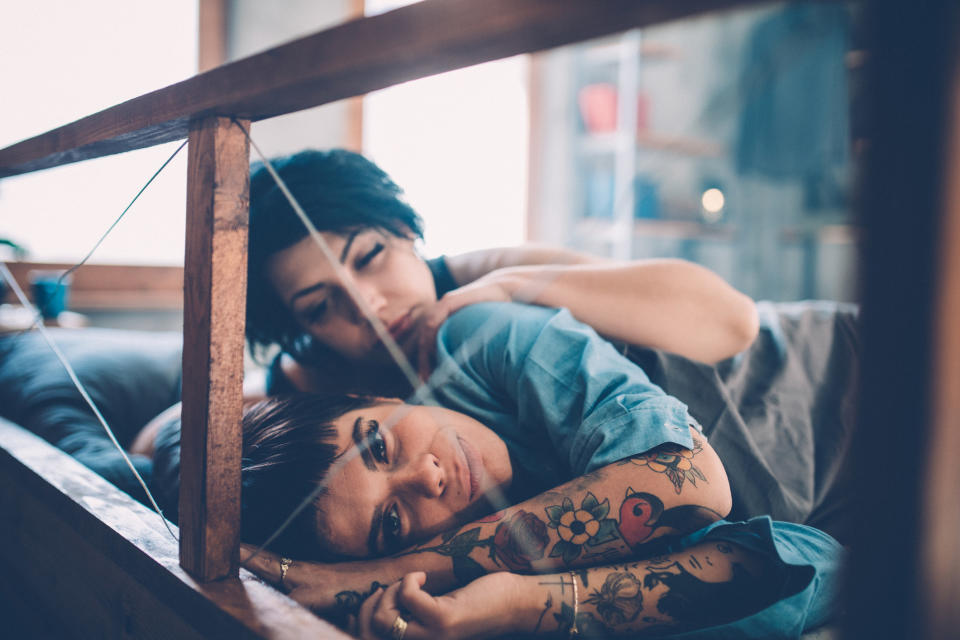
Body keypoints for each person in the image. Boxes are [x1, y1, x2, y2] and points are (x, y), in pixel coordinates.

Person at [148, 302, 841, 639]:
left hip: (863, 373)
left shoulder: (476, 344)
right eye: (392, 523)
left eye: (379, 446)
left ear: (373, 397)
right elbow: (804, 564)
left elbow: (686, 482)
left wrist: (368, 575)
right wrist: (519, 604)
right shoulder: (463, 604)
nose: (427, 478)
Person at [244, 149, 759, 397]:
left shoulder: (492, 270)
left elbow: (732, 322)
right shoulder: (304, 379)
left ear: (403, 228)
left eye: (370, 256)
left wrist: (512, 287)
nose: (367, 306)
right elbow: (165, 435)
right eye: (318, 306)